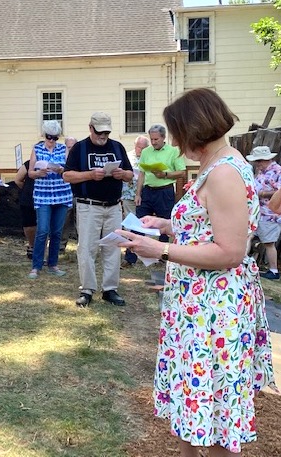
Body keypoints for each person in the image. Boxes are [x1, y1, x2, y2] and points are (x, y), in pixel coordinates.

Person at [117, 88, 275, 456]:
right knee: (193, 401)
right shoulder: (216, 165)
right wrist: (167, 225)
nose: (174, 141)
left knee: (216, 409)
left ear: (195, 128)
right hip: (195, 305)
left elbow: (231, 251)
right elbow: (209, 225)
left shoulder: (224, 173)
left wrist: (161, 250)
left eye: (177, 132)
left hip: (215, 309)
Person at [63, 112, 133, 307]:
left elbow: (130, 174)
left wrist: (122, 174)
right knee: (87, 248)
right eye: (99, 133)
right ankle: (87, 290)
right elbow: (67, 176)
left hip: (113, 206)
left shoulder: (117, 147)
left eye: (106, 133)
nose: (103, 137)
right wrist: (90, 175)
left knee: (112, 247)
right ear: (90, 128)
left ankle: (110, 289)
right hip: (89, 206)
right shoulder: (80, 148)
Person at [27, 120, 73, 279]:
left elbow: (69, 171)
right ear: (44, 135)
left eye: (55, 137)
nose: (52, 140)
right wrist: (38, 173)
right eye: (49, 137)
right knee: (42, 230)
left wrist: (61, 170)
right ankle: (36, 266)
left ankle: (53, 264)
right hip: (43, 195)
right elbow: (30, 173)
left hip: (62, 194)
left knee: (57, 231)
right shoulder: (37, 148)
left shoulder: (63, 149)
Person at [135, 124, 186, 241]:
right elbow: (141, 173)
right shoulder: (146, 152)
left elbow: (182, 172)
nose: (153, 142)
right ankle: (131, 256)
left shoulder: (173, 151)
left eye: (156, 139)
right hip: (147, 191)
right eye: (151, 139)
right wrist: (138, 194)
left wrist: (165, 175)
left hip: (165, 192)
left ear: (163, 137)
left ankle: (163, 255)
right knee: (138, 222)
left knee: (164, 225)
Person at [246, 145, 281, 280]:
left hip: (269, 214)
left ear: (265, 159)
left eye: (258, 161)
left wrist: (262, 193)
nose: (257, 164)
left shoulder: (277, 171)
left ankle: (274, 271)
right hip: (257, 212)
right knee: (248, 236)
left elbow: (279, 192)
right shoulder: (262, 171)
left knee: (269, 243)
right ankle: (242, 264)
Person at [121, 135, 150, 267]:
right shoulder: (128, 156)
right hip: (128, 194)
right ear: (135, 146)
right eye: (139, 147)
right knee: (130, 222)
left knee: (142, 224)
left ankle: (142, 250)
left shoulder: (149, 156)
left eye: (144, 147)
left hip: (144, 195)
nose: (141, 150)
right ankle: (130, 252)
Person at [14, 159, 36, 259]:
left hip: (46, 198)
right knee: (29, 224)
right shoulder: (28, 164)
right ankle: (31, 245)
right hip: (28, 198)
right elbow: (17, 180)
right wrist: (27, 189)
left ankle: (41, 249)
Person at [60, 136, 77, 253]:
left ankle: (84, 247)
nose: (71, 150)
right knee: (63, 221)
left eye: (73, 147)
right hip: (65, 194)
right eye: (69, 147)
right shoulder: (61, 159)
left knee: (81, 221)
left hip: (78, 193)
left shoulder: (80, 158)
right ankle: (60, 247)